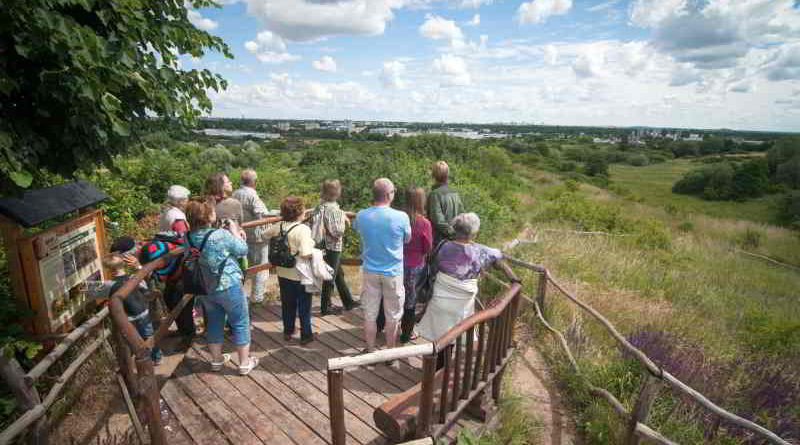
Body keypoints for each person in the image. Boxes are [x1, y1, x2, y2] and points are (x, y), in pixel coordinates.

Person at [416, 213, 520, 346]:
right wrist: (514, 279)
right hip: (462, 306)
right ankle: (446, 362)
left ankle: (435, 362)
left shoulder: (443, 245)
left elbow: (435, 264)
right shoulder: (480, 251)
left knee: (438, 336)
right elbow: (498, 259)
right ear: (473, 233)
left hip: (440, 300)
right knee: (455, 335)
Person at [185, 199, 258, 375]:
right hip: (228, 284)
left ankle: (216, 360)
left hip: (205, 287)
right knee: (240, 321)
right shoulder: (220, 235)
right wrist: (234, 232)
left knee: (215, 322)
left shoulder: (187, 237)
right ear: (208, 216)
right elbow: (242, 250)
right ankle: (244, 363)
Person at [353, 178, 411, 358]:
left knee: (370, 313)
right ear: (388, 195)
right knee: (392, 314)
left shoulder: (361, 215)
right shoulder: (401, 217)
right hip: (393, 272)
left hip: (370, 270)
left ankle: (370, 350)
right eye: (393, 191)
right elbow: (407, 239)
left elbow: (357, 230)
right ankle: (390, 352)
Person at [264, 197, 316, 345]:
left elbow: (264, 235)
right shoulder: (303, 229)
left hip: (283, 271)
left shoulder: (279, 225)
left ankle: (288, 331)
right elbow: (306, 253)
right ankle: (306, 334)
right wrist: (316, 252)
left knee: (287, 303)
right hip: (299, 273)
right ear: (300, 212)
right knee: (304, 306)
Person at [103, 250, 162, 365]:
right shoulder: (133, 277)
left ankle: (142, 359)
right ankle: (156, 357)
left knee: (133, 338)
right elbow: (144, 289)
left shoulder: (110, 285)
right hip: (143, 311)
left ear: (109, 269)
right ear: (124, 265)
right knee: (149, 335)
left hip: (128, 317)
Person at [311, 179, 359, 315]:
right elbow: (338, 232)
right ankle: (325, 307)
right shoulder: (334, 209)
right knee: (330, 276)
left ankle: (348, 301)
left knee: (338, 274)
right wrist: (343, 221)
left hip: (322, 244)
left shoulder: (320, 206)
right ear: (337, 192)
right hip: (333, 246)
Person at [232, 169, 272, 303]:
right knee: (260, 267)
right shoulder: (252, 196)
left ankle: (238, 295)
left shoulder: (235, 194)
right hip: (257, 236)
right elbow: (262, 214)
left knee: (244, 267)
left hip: (242, 234)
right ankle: (257, 298)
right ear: (254, 182)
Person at [399, 187, 432, 343]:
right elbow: (427, 247)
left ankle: (381, 324)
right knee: (411, 299)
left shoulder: (399, 218)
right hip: (416, 265)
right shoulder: (424, 223)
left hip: (397, 262)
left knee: (394, 294)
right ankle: (406, 333)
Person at [427, 161, 465, 245]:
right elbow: (462, 215)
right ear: (447, 175)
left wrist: (452, 234)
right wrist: (459, 235)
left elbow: (438, 220)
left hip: (440, 241)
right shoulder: (455, 193)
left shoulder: (435, 194)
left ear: (434, 175)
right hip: (456, 239)